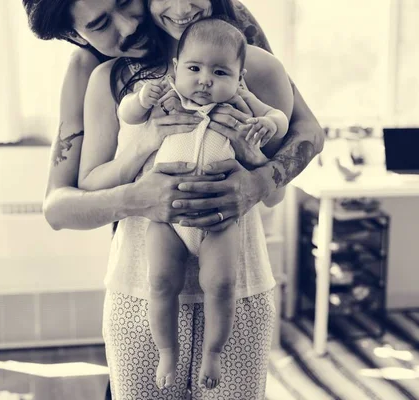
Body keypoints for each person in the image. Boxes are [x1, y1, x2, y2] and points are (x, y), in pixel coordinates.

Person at [22, 0, 325, 398]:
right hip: (142, 288)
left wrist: (257, 181)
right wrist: (139, 193)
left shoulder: (233, 41)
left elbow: (307, 135)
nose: (128, 25)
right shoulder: (98, 75)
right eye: (99, 24)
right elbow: (59, 205)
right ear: (75, 35)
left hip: (240, 287)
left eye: (126, 4)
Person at [81, 17, 290, 390]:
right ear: (178, 69)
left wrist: (267, 131)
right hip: (164, 223)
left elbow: (278, 119)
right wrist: (141, 102)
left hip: (220, 223)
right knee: (160, 281)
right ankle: (167, 352)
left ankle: (214, 352)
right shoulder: (164, 95)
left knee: (222, 284)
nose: (205, 80)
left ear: (238, 77)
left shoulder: (240, 103)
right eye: (194, 69)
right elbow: (127, 112)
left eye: (220, 72)